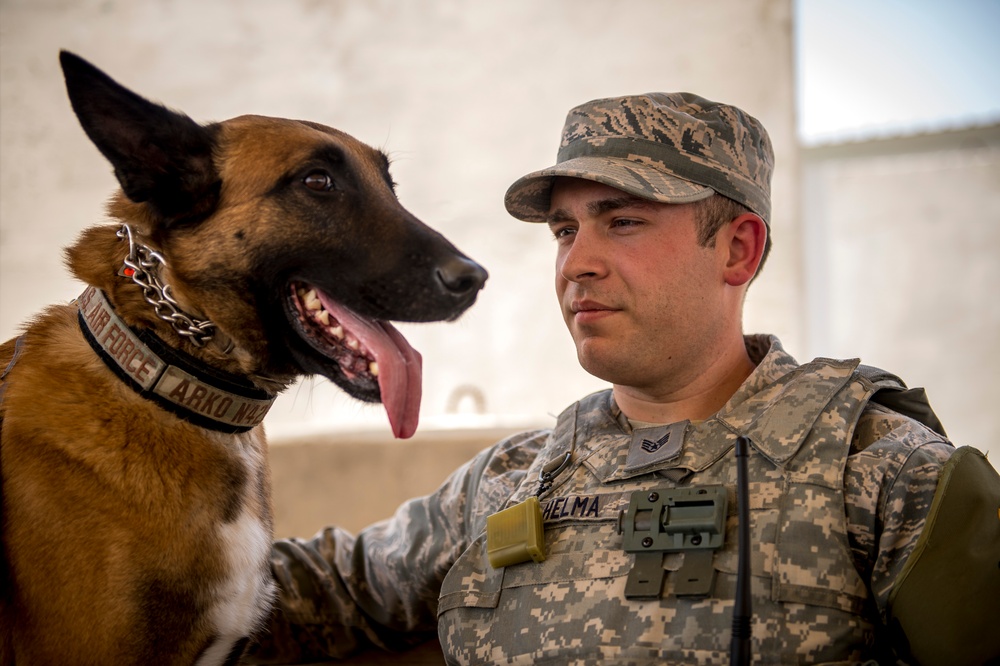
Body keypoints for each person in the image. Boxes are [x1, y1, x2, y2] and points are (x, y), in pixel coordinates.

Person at [246, 93, 997, 665]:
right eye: (566, 231)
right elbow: (291, 600)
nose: (577, 263)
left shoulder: (883, 476)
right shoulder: (509, 482)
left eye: (623, 222)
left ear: (737, 251)